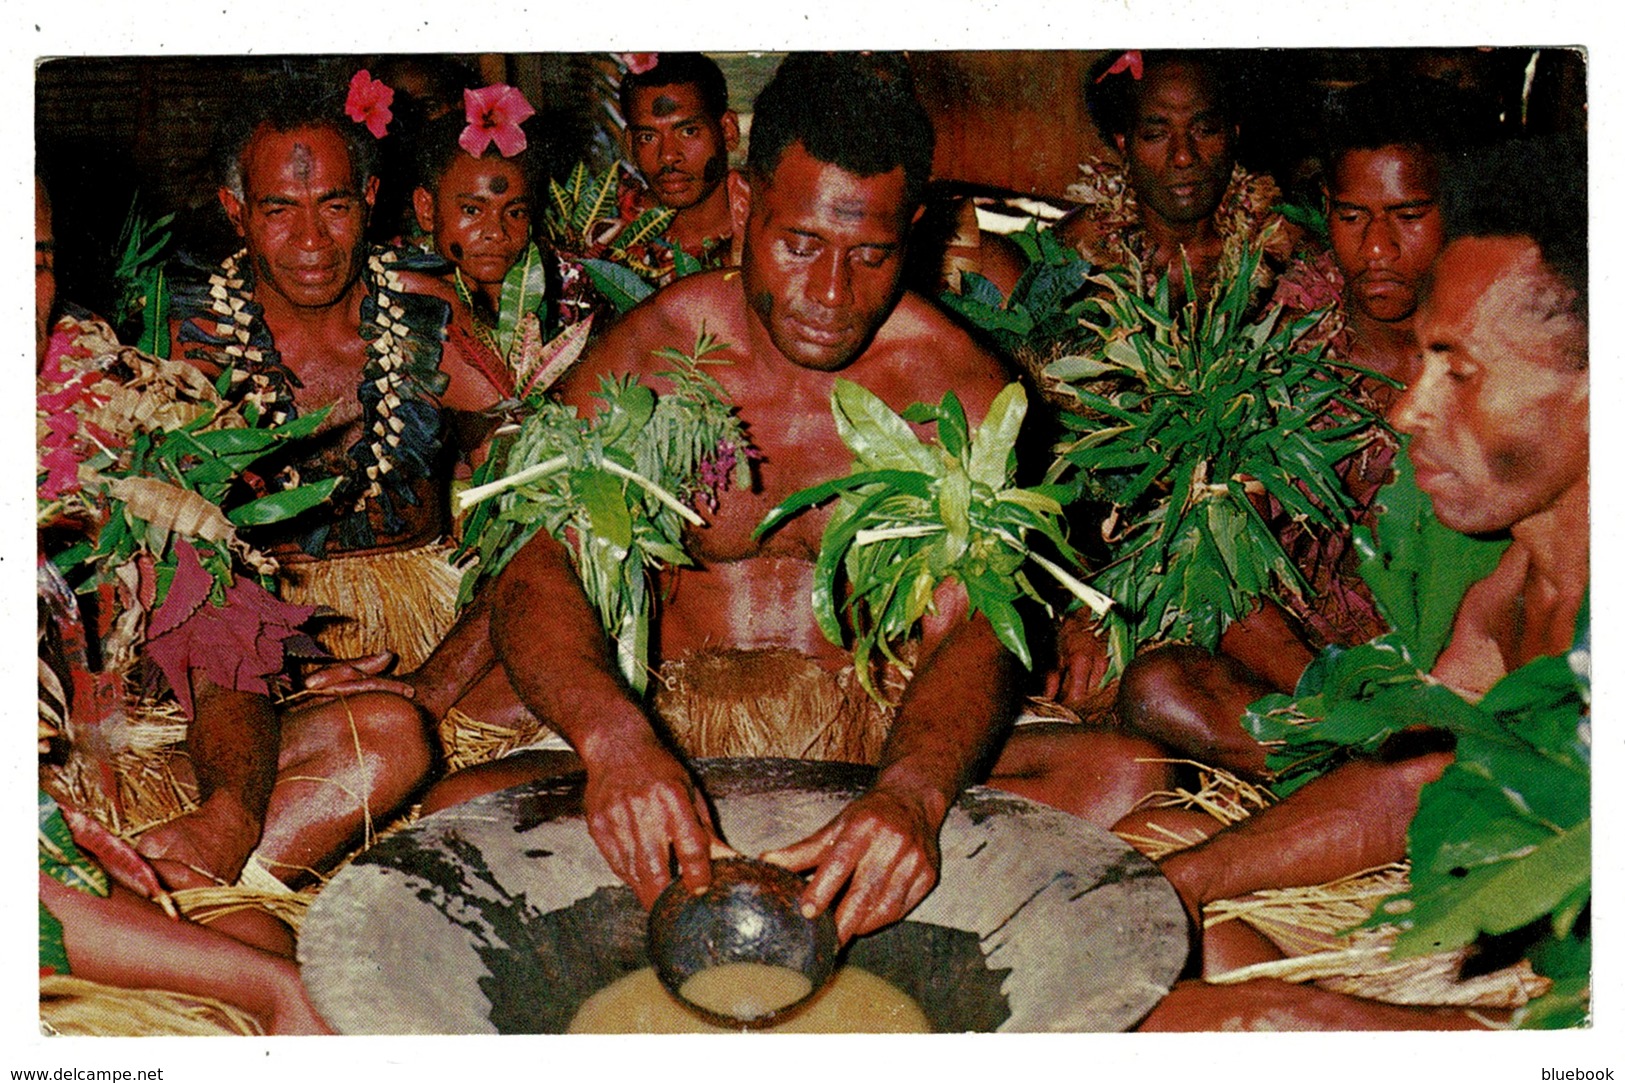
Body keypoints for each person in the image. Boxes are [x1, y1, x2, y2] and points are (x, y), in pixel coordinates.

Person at [331, 53, 1170, 944]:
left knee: (1127, 771)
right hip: (671, 736)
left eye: (870, 255)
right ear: (742, 206)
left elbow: (974, 623)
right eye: (799, 244)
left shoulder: (958, 385)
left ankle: (864, 864)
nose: (829, 296)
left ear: (912, 232)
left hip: (871, 745)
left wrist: (911, 797)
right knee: (458, 806)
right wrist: (617, 746)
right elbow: (538, 563)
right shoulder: (654, 351)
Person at [1135, 136, 1588, 1028]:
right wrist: (1180, 880)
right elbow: (1419, 775)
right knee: (1146, 864)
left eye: (1457, 370)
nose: (1408, 407)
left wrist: (1309, 1020)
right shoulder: (1510, 590)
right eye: (1419, 362)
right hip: (1473, 940)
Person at [36, 171, 431, 900]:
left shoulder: (116, 396)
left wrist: (229, 815)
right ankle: (168, 937)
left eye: (34, 262)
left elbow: (213, 632)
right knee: (253, 952)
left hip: (122, 761)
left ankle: (180, 907)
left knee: (384, 730)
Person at [167, 76, 506, 670]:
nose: (312, 240)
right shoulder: (197, 345)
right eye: (280, 210)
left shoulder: (428, 314)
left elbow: (528, 478)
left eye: (335, 206)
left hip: (437, 638)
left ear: (370, 196)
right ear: (234, 211)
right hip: (265, 649)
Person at [1054, 50, 1292, 299]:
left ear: (1233, 133)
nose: (1183, 156)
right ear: (1124, 143)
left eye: (1205, 130)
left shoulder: (1284, 246)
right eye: (1156, 135)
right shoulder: (1073, 249)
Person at [616, 52, 747, 280]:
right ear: (630, 144)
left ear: (728, 131)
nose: (667, 156)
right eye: (648, 137)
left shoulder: (769, 231)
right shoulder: (610, 237)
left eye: (688, 131)